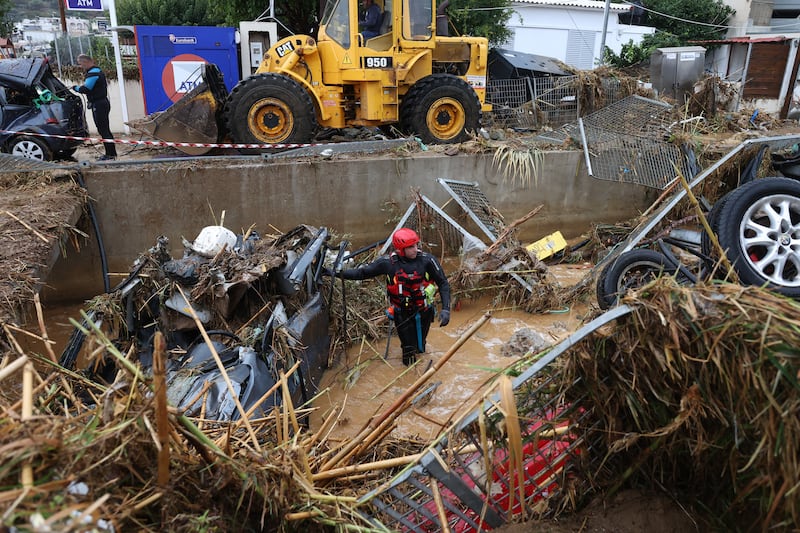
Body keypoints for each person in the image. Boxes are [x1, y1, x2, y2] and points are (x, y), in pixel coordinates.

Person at [337, 228, 451, 366]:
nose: (415, 249)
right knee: (408, 350)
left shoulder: (428, 261)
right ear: (400, 250)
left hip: (424, 311)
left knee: (420, 346)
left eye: (416, 245)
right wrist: (334, 273)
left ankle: (420, 364)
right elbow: (361, 273)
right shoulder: (387, 263)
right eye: (410, 247)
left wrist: (446, 309)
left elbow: (443, 283)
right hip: (401, 313)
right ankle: (409, 375)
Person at [73, 54, 117, 161]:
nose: (81, 67)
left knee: (103, 130)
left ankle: (110, 155)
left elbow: (86, 88)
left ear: (86, 62)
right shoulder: (97, 71)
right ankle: (111, 153)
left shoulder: (93, 73)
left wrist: (76, 88)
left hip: (99, 104)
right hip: (102, 103)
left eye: (81, 64)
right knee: (104, 129)